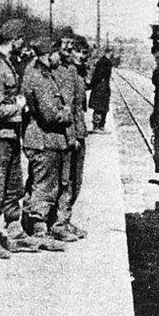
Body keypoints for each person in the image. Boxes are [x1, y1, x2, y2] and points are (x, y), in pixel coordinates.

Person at [0, 19, 37, 258]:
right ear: (15, 40)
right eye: (21, 39)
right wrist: (18, 106)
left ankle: (15, 232)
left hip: (10, 136)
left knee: (14, 187)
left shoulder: (6, 64)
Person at [21, 38, 73, 251]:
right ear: (47, 54)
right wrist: (66, 114)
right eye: (56, 54)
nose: (59, 58)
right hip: (43, 139)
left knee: (41, 184)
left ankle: (36, 227)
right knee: (44, 187)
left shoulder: (42, 74)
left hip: (47, 139)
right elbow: (49, 114)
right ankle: (39, 232)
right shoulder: (38, 77)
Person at [52, 37, 90, 239]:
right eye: (80, 52)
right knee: (67, 181)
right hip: (71, 136)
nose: (83, 57)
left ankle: (65, 220)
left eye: (85, 54)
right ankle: (60, 223)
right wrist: (72, 136)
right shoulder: (66, 73)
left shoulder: (77, 72)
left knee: (75, 181)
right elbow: (68, 108)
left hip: (78, 132)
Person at [88, 48, 114, 133]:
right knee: (102, 108)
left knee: (98, 108)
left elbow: (96, 75)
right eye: (111, 54)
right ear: (108, 53)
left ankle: (97, 126)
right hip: (102, 87)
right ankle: (100, 127)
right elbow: (100, 75)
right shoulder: (106, 62)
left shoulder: (101, 61)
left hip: (99, 87)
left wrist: (92, 85)